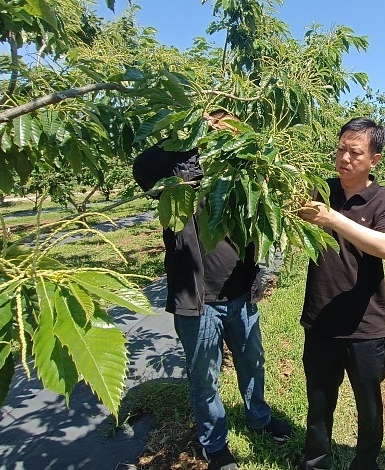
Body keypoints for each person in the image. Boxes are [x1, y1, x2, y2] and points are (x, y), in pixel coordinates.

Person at [132, 114, 292, 470]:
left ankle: (259, 418)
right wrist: (187, 134)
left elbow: (269, 207)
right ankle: (214, 443)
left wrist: (239, 132)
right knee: (205, 376)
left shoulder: (240, 167)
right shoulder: (178, 172)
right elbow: (141, 168)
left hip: (240, 294)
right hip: (198, 298)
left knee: (253, 363)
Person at [296, 117, 385, 470]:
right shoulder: (321, 190)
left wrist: (332, 220)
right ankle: (316, 463)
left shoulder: (383, 200)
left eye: (355, 152)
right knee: (319, 401)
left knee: (368, 405)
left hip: (365, 326)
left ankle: (366, 463)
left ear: (375, 159)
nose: (344, 158)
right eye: (341, 149)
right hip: (321, 320)